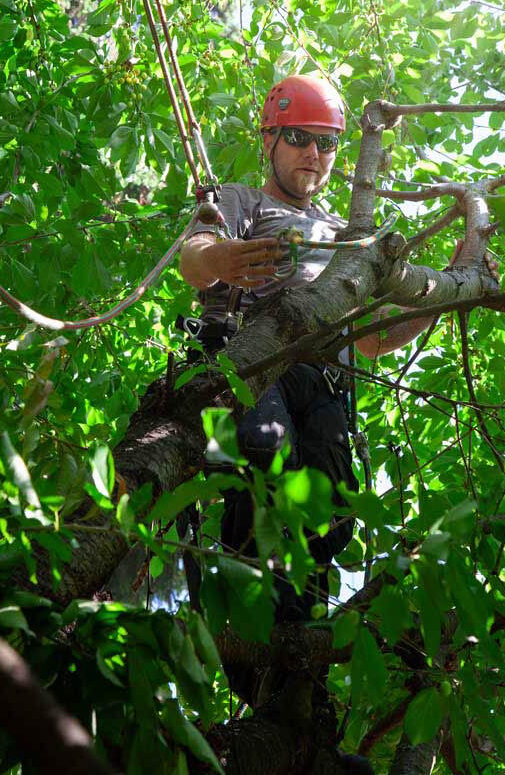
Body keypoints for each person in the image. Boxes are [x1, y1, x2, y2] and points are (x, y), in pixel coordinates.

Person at [178, 75, 447, 620]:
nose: (314, 153)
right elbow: (195, 256)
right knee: (264, 455)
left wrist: (442, 298)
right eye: (299, 137)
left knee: (331, 513)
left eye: (326, 142)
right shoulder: (241, 201)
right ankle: (249, 614)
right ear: (269, 139)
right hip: (253, 359)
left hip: (323, 381)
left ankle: (296, 636)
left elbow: (373, 339)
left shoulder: (347, 236)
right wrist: (219, 259)